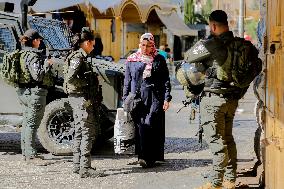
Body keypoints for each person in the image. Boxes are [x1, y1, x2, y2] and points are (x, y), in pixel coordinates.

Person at [190, 10, 248, 189]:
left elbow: (188, 58)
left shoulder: (210, 44)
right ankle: (230, 179)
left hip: (213, 100)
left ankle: (215, 183)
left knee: (216, 141)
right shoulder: (239, 44)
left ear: (213, 25)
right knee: (228, 138)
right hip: (232, 100)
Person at [123, 33, 172, 168]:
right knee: (140, 126)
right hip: (137, 98)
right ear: (140, 45)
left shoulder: (159, 59)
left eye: (148, 45)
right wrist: (125, 99)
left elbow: (165, 80)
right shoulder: (132, 59)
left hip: (154, 97)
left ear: (152, 46)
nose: (145, 48)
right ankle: (142, 156)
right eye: (143, 45)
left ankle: (151, 157)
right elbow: (127, 81)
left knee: (151, 124)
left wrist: (167, 98)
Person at [64, 27, 105, 178]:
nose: (93, 47)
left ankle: (77, 165)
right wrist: (87, 83)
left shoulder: (79, 56)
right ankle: (85, 168)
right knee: (87, 132)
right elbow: (70, 78)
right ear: (87, 43)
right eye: (93, 44)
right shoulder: (78, 57)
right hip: (81, 99)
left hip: (78, 99)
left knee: (80, 131)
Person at [17, 29, 53, 162]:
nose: (40, 42)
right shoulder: (33, 55)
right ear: (34, 41)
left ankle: (26, 152)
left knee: (27, 123)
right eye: (39, 40)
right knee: (32, 124)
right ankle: (31, 154)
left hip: (24, 92)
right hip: (35, 93)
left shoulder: (22, 53)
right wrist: (47, 64)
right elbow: (37, 75)